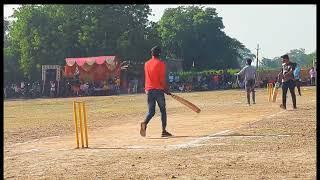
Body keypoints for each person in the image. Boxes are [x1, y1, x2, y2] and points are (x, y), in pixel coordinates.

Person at [140, 46, 173, 137]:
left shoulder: (146, 64)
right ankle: (163, 131)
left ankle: (145, 123)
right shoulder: (161, 63)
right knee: (163, 110)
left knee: (151, 112)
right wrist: (166, 89)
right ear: (159, 54)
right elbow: (161, 79)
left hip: (149, 90)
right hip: (158, 90)